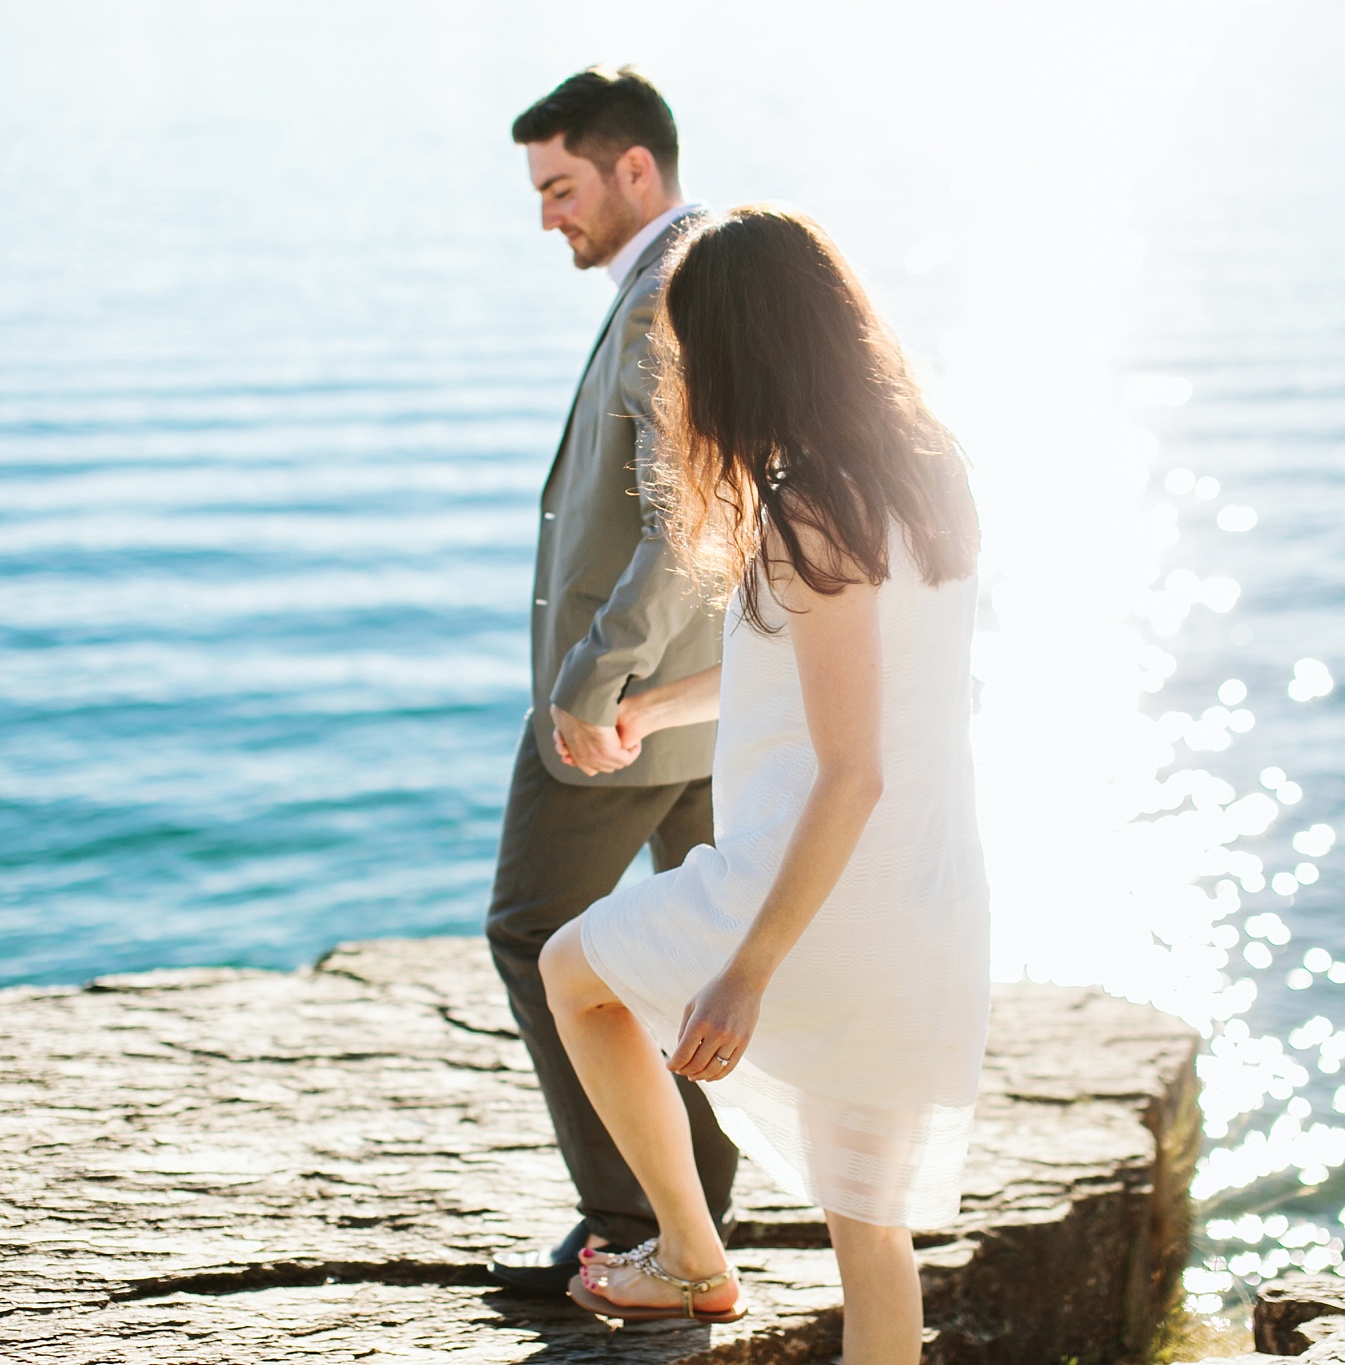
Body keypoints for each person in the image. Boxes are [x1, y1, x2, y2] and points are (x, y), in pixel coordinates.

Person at [539, 206, 990, 1363]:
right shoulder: (925, 474)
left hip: (805, 890)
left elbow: (849, 772)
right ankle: (694, 1262)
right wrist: (655, 705)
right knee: (870, 1238)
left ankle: (690, 1258)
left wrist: (745, 974)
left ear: (738, 353)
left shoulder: (805, 510)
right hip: (921, 903)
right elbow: (814, 683)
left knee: (570, 973)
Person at [484, 66, 739, 1297]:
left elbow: (685, 517)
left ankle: (631, 1215)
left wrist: (594, 677)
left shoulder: (665, 294)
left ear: (634, 167)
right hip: (703, 705)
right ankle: (698, 1211)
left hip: (632, 715)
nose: (547, 216)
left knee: (534, 930)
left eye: (561, 186)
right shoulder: (700, 274)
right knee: (702, 955)